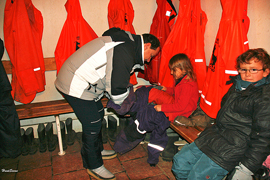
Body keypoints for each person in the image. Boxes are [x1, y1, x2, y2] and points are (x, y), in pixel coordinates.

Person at [55, 27, 160, 180]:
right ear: (146, 46)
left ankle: (96, 150)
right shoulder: (126, 50)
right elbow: (116, 89)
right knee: (93, 123)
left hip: (82, 82)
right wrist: (127, 107)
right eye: (151, 55)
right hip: (74, 83)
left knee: (98, 112)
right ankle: (93, 165)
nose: (148, 60)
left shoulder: (127, 41)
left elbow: (109, 34)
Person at [172, 48, 270, 180]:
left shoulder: (264, 98)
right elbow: (224, 114)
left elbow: (263, 138)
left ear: (265, 72)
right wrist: (209, 130)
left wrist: (247, 168)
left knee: (197, 176)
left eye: (253, 69)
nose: (247, 74)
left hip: (234, 146)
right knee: (180, 163)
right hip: (216, 134)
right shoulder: (237, 86)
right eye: (243, 69)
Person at [150, 53, 199, 122]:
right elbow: (175, 92)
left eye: (174, 70)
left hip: (185, 112)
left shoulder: (187, 85)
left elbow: (180, 106)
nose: (171, 72)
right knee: (155, 94)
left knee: (158, 115)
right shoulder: (181, 78)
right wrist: (166, 89)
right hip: (178, 104)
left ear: (184, 69)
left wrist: (162, 108)